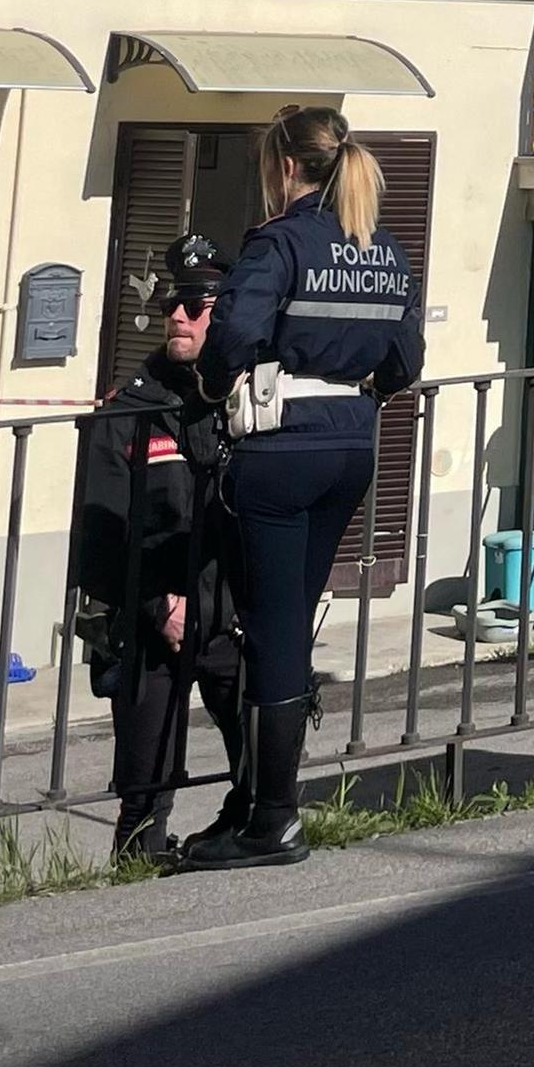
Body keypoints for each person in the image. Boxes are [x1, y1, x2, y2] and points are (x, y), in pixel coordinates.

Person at [196, 108, 422, 868]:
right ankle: (257, 804)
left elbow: (229, 338)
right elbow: (405, 359)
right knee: (290, 616)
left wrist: (216, 379)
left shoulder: (280, 242)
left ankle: (271, 817)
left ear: (287, 167)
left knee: (271, 628)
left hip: (280, 449)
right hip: (352, 443)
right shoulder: (383, 250)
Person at [68, 232, 244, 866]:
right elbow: (102, 527)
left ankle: (250, 823)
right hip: (152, 614)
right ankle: (141, 857)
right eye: (175, 303)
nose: (178, 315)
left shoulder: (244, 402)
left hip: (229, 608)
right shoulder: (131, 408)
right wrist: (155, 604)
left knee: (259, 736)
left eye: (196, 305)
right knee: (144, 774)